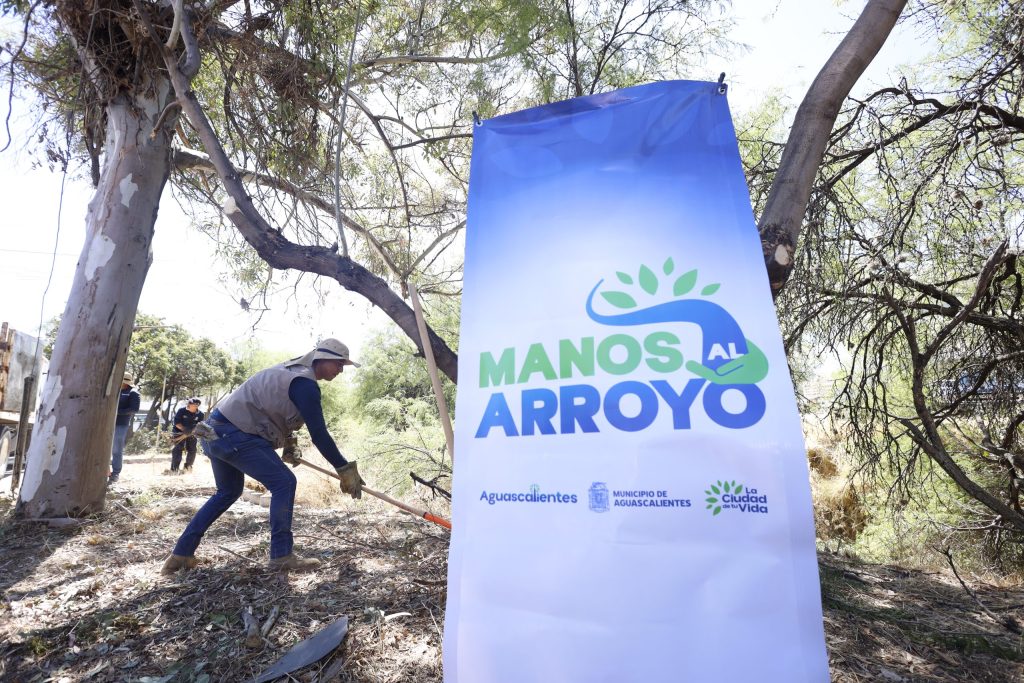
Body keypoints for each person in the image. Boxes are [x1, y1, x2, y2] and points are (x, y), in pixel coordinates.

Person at [161, 338, 364, 574]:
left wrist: (289, 443)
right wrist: (344, 469)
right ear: (322, 358)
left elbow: (269, 408)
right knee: (284, 483)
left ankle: (181, 554)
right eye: (339, 363)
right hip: (233, 435)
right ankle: (281, 556)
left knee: (228, 491)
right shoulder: (305, 384)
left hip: (214, 432)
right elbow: (319, 434)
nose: (341, 370)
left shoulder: (290, 372)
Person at [110, 372, 141, 484]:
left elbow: (134, 409)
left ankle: (115, 473)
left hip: (121, 424)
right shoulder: (115, 390)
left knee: (116, 449)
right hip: (108, 423)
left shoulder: (133, 393)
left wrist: (117, 412)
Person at [169, 397, 205, 472]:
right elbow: (177, 423)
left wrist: (192, 431)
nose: (189, 404)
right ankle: (174, 468)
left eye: (191, 404)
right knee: (177, 449)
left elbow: (199, 425)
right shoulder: (181, 411)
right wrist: (185, 430)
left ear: (197, 405)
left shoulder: (201, 414)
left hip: (192, 434)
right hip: (178, 432)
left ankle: (188, 467)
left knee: (192, 450)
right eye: (189, 403)